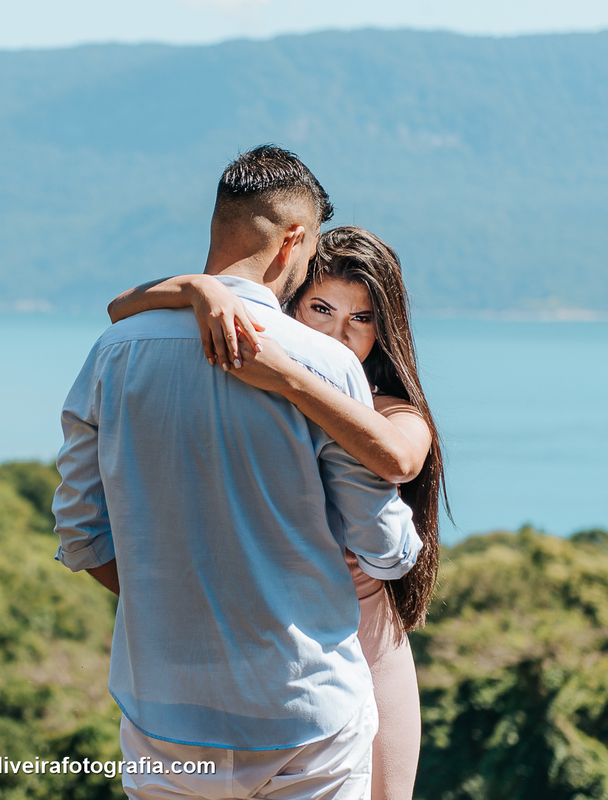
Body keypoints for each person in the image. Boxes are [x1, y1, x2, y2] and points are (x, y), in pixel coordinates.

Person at [52, 145, 422, 800]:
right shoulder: (324, 368)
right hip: (305, 709)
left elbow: (81, 535)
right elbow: (385, 547)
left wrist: (176, 603)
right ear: (294, 241)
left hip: (165, 711)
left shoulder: (113, 353)